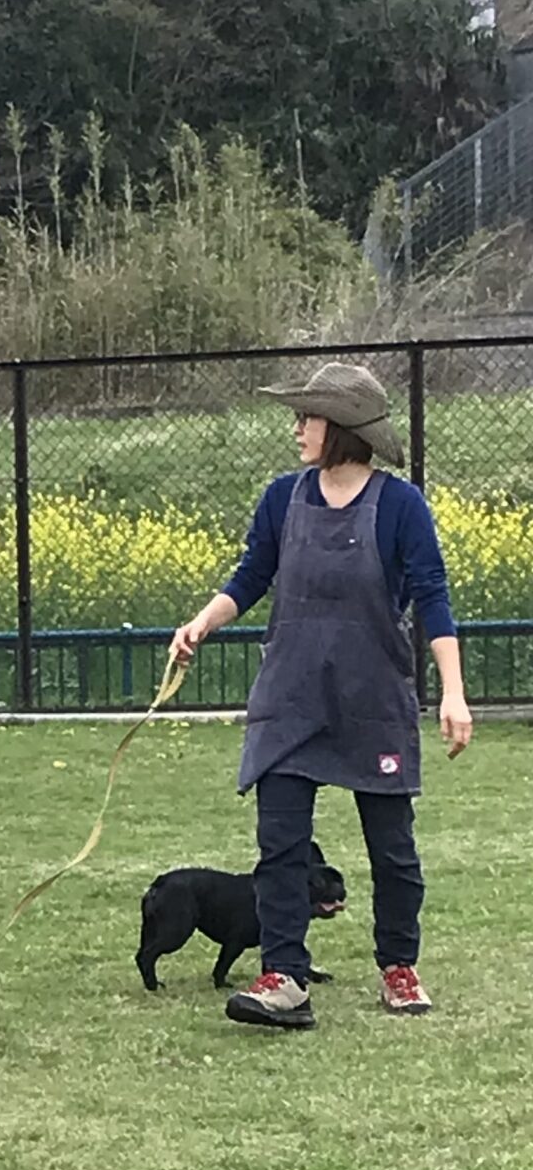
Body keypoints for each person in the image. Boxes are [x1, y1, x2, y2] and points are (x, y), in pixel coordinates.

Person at [170, 361, 471, 1030]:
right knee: (280, 847)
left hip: (372, 703)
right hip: (290, 701)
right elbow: (251, 575)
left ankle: (399, 967)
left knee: (393, 851)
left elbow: (433, 599)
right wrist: (201, 623)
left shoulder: (401, 506)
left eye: (307, 417)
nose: (297, 428)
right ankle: (284, 977)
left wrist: (453, 693)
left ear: (341, 427)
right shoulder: (283, 498)